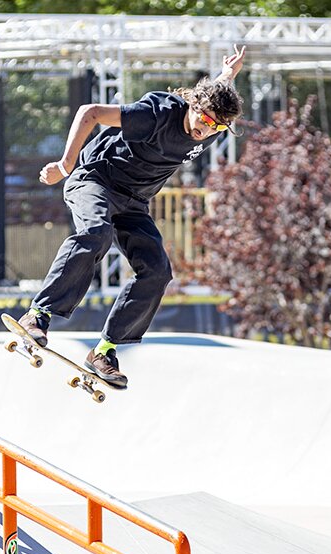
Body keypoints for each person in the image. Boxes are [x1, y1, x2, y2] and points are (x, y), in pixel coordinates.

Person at [17, 45, 247, 387]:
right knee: (96, 233)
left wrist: (228, 74)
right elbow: (90, 112)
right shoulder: (157, 113)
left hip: (134, 202)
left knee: (157, 271)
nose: (206, 130)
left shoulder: (211, 120)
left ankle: (104, 351)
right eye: (205, 119)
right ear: (195, 105)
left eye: (217, 127)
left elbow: (216, 95)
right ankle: (38, 314)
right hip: (95, 180)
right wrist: (65, 166)